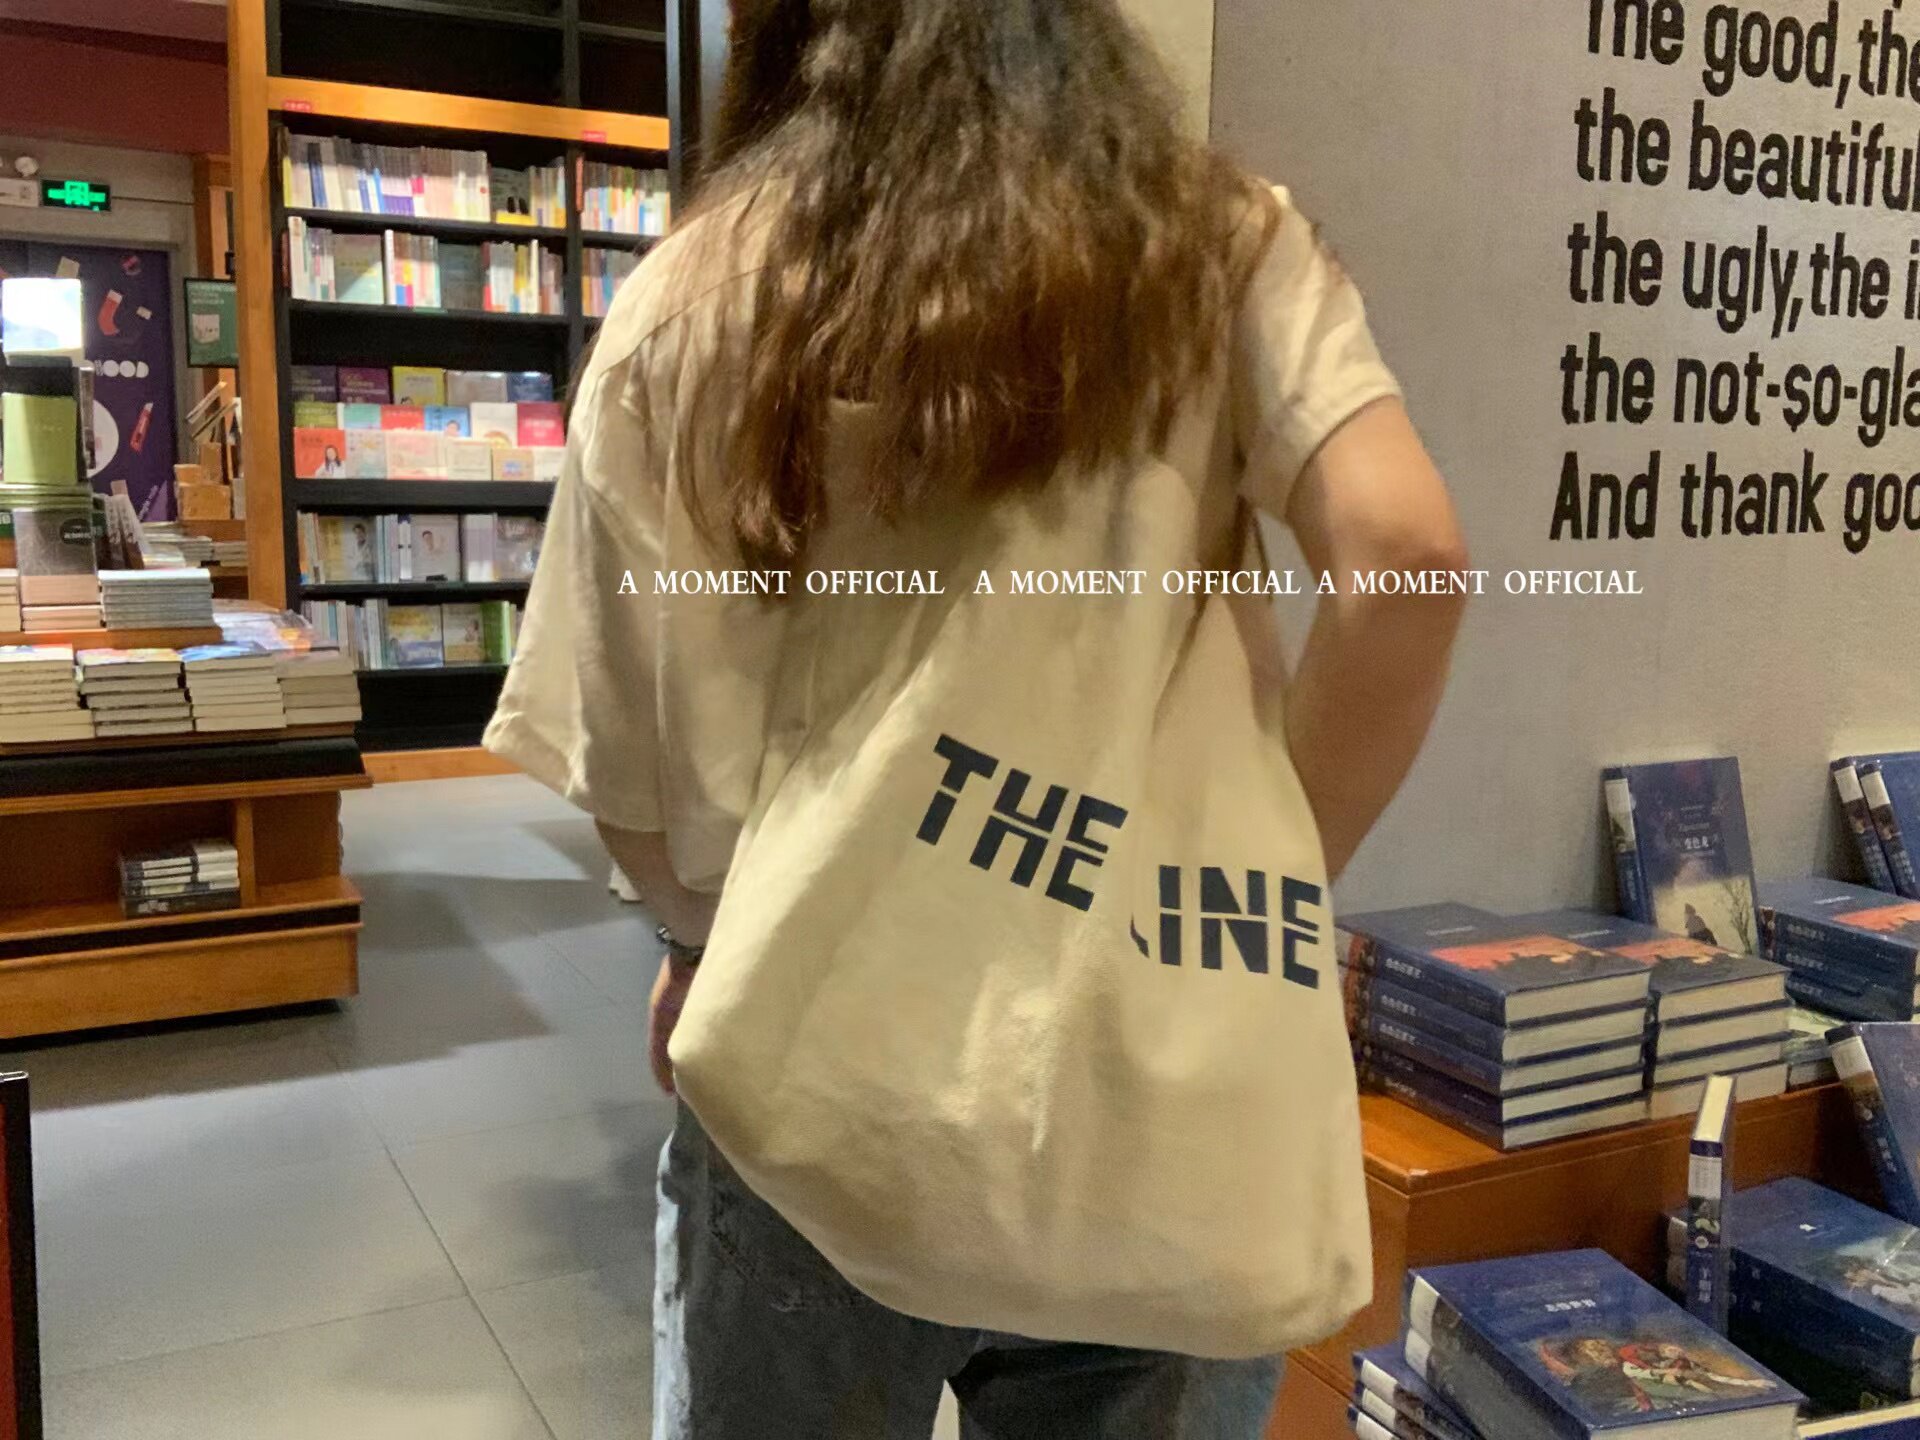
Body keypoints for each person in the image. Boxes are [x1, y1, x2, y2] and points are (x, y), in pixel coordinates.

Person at [484, 0, 1467, 1434]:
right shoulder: (1216, 245)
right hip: (1157, 1106)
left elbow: (630, 749)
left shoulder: (706, 286)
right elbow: (1408, 559)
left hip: (818, 1077)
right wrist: (1271, 877)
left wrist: (694, 944)